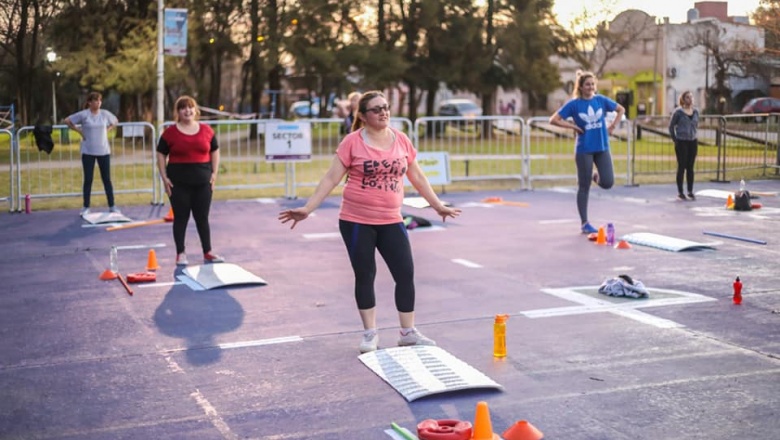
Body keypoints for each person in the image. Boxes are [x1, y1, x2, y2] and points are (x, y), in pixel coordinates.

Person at [278, 90, 461, 353]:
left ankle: (407, 332)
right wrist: (308, 208)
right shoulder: (352, 142)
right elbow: (331, 178)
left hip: (391, 220)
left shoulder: (401, 140)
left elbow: (417, 176)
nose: (384, 112)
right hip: (356, 221)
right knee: (365, 275)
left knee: (405, 274)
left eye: (386, 107)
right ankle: (369, 333)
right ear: (363, 116)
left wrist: (438, 206)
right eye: (377, 109)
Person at [549, 71, 625, 234]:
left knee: (608, 182)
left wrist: (612, 126)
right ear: (581, 87)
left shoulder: (601, 100)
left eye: (592, 84)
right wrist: (573, 127)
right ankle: (584, 223)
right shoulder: (574, 104)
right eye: (587, 84)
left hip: (602, 147)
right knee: (584, 187)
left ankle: (594, 175)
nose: (590, 87)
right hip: (584, 150)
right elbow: (553, 119)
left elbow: (621, 109)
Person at [156, 95, 224, 266]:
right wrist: (164, 178)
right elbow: (161, 154)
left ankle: (207, 252)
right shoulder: (170, 133)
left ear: (196, 110)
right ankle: (181, 253)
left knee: (202, 217)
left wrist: (214, 173)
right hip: (178, 183)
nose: (187, 110)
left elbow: (215, 150)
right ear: (178, 112)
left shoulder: (207, 130)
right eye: (183, 107)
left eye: (190, 107)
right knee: (181, 217)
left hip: (203, 182)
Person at [64, 91, 119, 216]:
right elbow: (67, 120)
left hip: (103, 151)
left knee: (107, 179)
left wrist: (108, 129)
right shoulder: (84, 115)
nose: (98, 103)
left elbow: (115, 121)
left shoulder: (105, 114)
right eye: (95, 100)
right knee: (88, 179)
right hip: (88, 151)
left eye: (99, 100)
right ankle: (86, 206)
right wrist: (79, 131)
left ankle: (112, 205)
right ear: (89, 102)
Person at [668, 91, 699, 201]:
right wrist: (675, 139)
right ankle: (680, 191)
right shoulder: (678, 112)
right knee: (682, 166)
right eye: (687, 97)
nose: (690, 99)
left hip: (692, 141)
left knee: (690, 167)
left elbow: (696, 125)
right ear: (683, 99)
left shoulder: (695, 112)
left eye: (691, 97)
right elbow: (671, 126)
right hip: (681, 141)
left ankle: (690, 191)